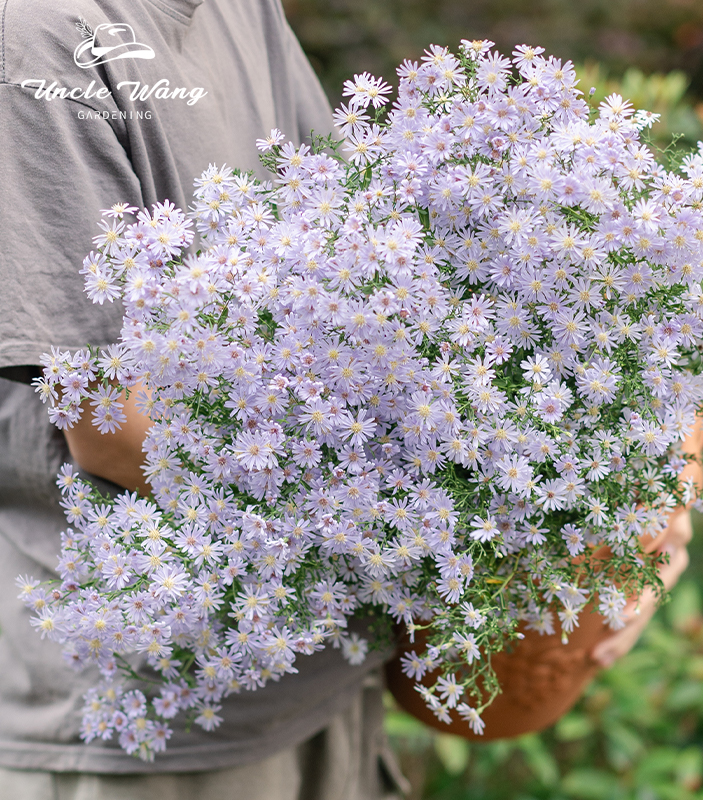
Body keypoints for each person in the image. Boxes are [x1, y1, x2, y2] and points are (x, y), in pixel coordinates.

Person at [0, 1, 406, 797]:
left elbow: (343, 249)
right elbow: (114, 427)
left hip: (319, 665)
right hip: (148, 719)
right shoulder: (36, 38)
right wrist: (445, 518)